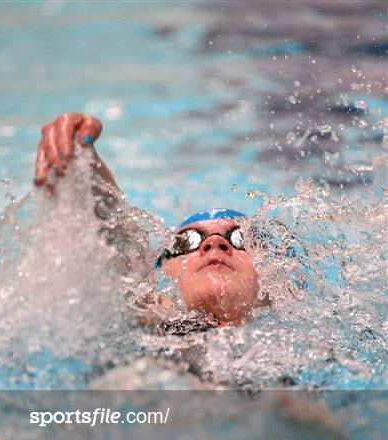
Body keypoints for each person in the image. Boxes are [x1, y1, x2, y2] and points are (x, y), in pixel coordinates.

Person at [34, 113, 270, 334]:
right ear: (161, 275)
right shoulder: (146, 328)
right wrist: (84, 159)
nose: (214, 243)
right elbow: (117, 236)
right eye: (187, 241)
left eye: (241, 239)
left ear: (274, 281)